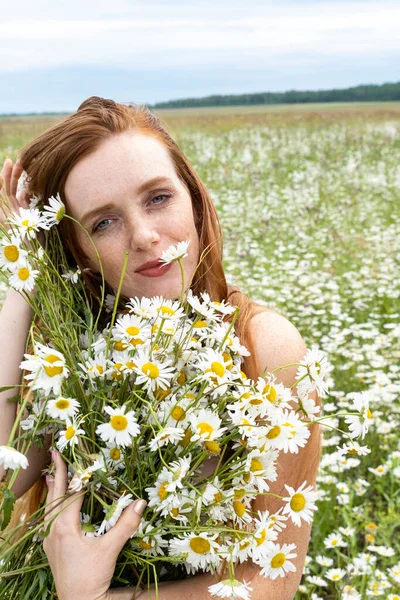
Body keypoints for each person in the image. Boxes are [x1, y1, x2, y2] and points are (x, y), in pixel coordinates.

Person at [0, 96, 322, 600]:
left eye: (157, 198)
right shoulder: (74, 355)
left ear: (193, 198)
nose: (146, 237)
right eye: (103, 223)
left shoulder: (263, 348)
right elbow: (3, 481)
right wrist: (27, 265)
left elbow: (271, 580)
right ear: (75, 249)